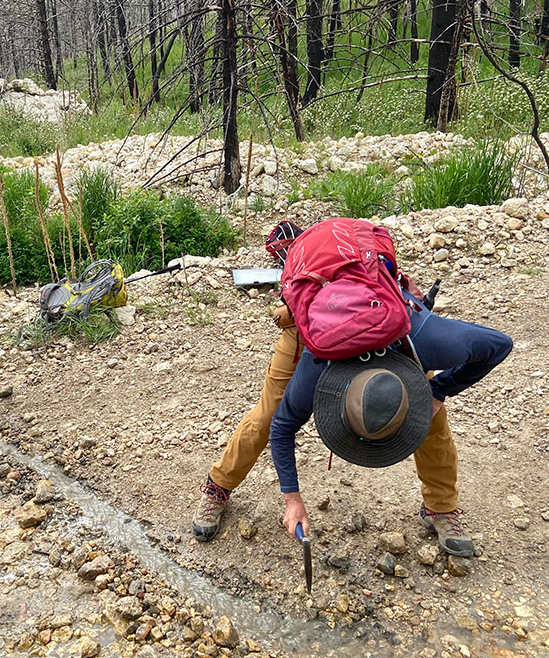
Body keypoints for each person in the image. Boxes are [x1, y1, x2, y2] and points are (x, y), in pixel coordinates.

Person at [193, 218, 512, 558]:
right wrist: (292, 499)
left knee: (430, 418)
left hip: (390, 317)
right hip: (313, 327)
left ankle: (441, 507)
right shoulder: (317, 360)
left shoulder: (424, 338)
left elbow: (499, 345)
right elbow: (283, 426)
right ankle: (218, 486)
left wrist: (438, 391)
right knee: (268, 414)